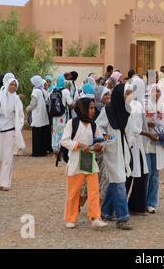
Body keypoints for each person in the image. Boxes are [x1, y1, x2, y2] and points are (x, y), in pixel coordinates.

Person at [60, 98, 108, 230]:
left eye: (94, 108)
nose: (93, 111)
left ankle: (95, 217)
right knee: (74, 191)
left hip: (89, 160)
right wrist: (79, 145)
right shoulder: (72, 123)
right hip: (76, 161)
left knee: (93, 190)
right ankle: (70, 218)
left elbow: (99, 142)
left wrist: (99, 147)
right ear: (83, 108)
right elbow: (64, 141)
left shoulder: (93, 125)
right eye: (91, 108)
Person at [95, 83, 133, 230]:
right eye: (126, 93)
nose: (128, 96)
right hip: (111, 150)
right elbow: (98, 126)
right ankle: (122, 218)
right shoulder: (108, 110)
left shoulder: (127, 110)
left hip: (124, 150)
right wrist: (107, 139)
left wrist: (129, 142)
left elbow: (130, 131)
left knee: (115, 181)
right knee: (119, 182)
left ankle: (105, 211)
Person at [0, 75, 25, 191]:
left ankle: (4, 183)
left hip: (10, 130)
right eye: (11, 84)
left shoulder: (17, 100)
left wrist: (18, 127)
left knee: (7, 157)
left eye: (15, 85)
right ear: (6, 84)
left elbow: (21, 116)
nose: (13, 87)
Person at [126, 76, 158, 215]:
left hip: (135, 144)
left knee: (139, 175)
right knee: (131, 176)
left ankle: (136, 206)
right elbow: (134, 127)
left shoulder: (133, 104)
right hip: (133, 144)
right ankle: (124, 207)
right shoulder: (135, 105)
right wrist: (148, 134)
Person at [145, 83, 164, 209]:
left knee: (155, 175)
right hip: (145, 144)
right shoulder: (144, 108)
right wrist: (147, 124)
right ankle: (142, 201)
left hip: (158, 146)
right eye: (154, 91)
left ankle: (152, 203)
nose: (157, 94)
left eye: (159, 91)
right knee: (146, 174)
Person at [26, 76, 50, 157]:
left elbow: (33, 103)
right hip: (43, 116)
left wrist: (27, 108)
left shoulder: (35, 91)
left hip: (37, 116)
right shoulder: (43, 90)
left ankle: (36, 153)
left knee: (36, 136)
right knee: (42, 136)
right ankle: (43, 152)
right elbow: (47, 102)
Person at [51, 74, 74, 155]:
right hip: (62, 115)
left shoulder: (53, 90)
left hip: (54, 115)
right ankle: (62, 149)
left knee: (55, 132)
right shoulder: (65, 91)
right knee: (62, 131)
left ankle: (55, 149)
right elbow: (70, 103)